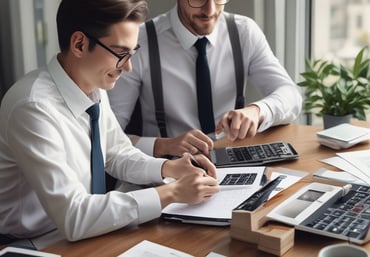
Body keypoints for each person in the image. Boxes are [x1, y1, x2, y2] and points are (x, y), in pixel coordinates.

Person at [0, 0, 219, 249]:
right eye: (120, 53)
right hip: (31, 244)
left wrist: (169, 168)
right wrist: (172, 193)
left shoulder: (92, 83)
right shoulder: (32, 107)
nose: (128, 67)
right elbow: (74, 216)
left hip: (86, 229)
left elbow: (116, 154)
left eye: (132, 53)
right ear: (80, 44)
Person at [108, 0, 303, 158]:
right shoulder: (139, 40)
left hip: (232, 164)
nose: (210, 10)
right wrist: (164, 145)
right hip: (165, 171)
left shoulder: (244, 32)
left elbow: (291, 96)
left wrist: (258, 110)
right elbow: (108, 135)